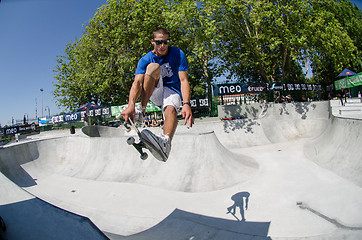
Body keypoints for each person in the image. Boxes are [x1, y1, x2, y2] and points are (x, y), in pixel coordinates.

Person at [122, 28, 194, 161]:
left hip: (173, 90)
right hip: (155, 90)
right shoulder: (145, 59)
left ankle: (165, 143)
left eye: (166, 42)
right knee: (153, 67)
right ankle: (141, 112)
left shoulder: (178, 53)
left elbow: (184, 80)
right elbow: (137, 83)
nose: (162, 46)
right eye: (159, 42)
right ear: (153, 42)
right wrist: (131, 105)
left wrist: (186, 103)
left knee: (171, 109)